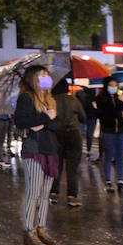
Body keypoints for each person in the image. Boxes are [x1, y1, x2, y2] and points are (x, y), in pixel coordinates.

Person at [13, 66, 62, 245]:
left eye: (47, 75)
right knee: (33, 192)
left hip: (50, 149)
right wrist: (44, 118)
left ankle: (42, 228)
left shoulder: (49, 100)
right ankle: (28, 231)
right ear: (33, 78)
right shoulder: (26, 98)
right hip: (34, 149)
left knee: (45, 194)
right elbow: (21, 121)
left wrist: (43, 121)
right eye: (42, 75)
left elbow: (58, 124)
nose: (46, 78)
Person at [49, 79, 86, 207]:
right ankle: (72, 196)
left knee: (56, 165)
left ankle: (53, 193)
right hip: (73, 135)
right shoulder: (74, 100)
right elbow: (83, 117)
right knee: (72, 167)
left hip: (56, 135)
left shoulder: (51, 101)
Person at [96, 77, 123, 194]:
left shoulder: (120, 98)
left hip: (121, 131)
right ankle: (108, 181)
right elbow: (104, 115)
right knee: (108, 156)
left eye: (115, 85)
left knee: (120, 157)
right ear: (107, 86)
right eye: (111, 85)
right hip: (108, 131)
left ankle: (120, 181)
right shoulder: (101, 99)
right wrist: (118, 112)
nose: (113, 87)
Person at [77, 86, 99, 161]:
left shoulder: (94, 95)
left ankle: (87, 150)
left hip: (89, 117)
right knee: (84, 135)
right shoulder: (80, 94)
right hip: (85, 117)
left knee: (86, 135)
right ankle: (84, 150)